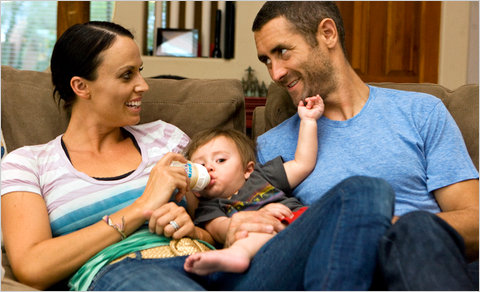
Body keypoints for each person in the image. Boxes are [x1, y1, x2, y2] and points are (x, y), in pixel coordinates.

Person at [2, 20, 398, 291]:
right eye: (126, 76)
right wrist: (142, 207)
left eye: (139, 70)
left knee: (364, 192)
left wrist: (216, 226)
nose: (143, 85)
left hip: (218, 263)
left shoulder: (167, 140)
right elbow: (32, 267)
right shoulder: (29, 164)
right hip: (128, 271)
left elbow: (211, 217)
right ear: (81, 86)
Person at [250, 1, 479, 290]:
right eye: (266, 60)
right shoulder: (272, 147)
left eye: (282, 52)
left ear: (328, 33)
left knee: (417, 227)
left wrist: (374, 226)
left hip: (430, 268)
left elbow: (475, 225)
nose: (275, 73)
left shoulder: (421, 113)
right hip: (346, 277)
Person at [183, 94, 323, 275]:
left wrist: (308, 121)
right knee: (251, 234)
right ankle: (236, 254)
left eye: (220, 160)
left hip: (301, 221)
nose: (209, 167)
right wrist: (258, 218)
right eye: (200, 166)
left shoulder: (262, 175)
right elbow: (225, 230)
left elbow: (303, 164)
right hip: (268, 244)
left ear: (247, 170)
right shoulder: (209, 207)